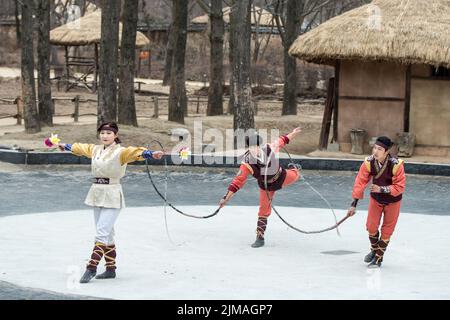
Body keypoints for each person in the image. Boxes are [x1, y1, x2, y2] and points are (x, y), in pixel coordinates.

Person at [58, 122, 164, 283]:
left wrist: (151, 154)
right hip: (96, 191)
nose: (105, 136)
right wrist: (65, 146)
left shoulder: (121, 152)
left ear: (115, 135)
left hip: (113, 192)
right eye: (102, 133)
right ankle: (110, 269)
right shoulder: (95, 149)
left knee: (101, 231)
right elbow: (81, 148)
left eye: (108, 133)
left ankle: (91, 267)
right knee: (107, 234)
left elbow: (135, 153)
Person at [219, 127, 302, 248]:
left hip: (281, 176)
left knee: (295, 175)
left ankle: (296, 169)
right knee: (263, 210)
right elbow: (238, 181)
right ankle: (260, 237)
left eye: (256, 146)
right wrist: (226, 198)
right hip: (266, 186)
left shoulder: (269, 148)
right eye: (251, 147)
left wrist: (293, 134)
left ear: (259, 146)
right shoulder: (246, 163)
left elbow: (283, 140)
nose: (254, 149)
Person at [347, 136, 406, 268]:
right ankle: (374, 249)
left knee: (387, 230)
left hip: (393, 201)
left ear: (386, 151)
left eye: (379, 149)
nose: (375, 151)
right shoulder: (368, 162)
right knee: (371, 226)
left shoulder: (396, 165)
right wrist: (353, 204)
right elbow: (360, 182)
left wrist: (382, 189)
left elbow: (400, 187)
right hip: (376, 199)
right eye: (374, 147)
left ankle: (379, 258)